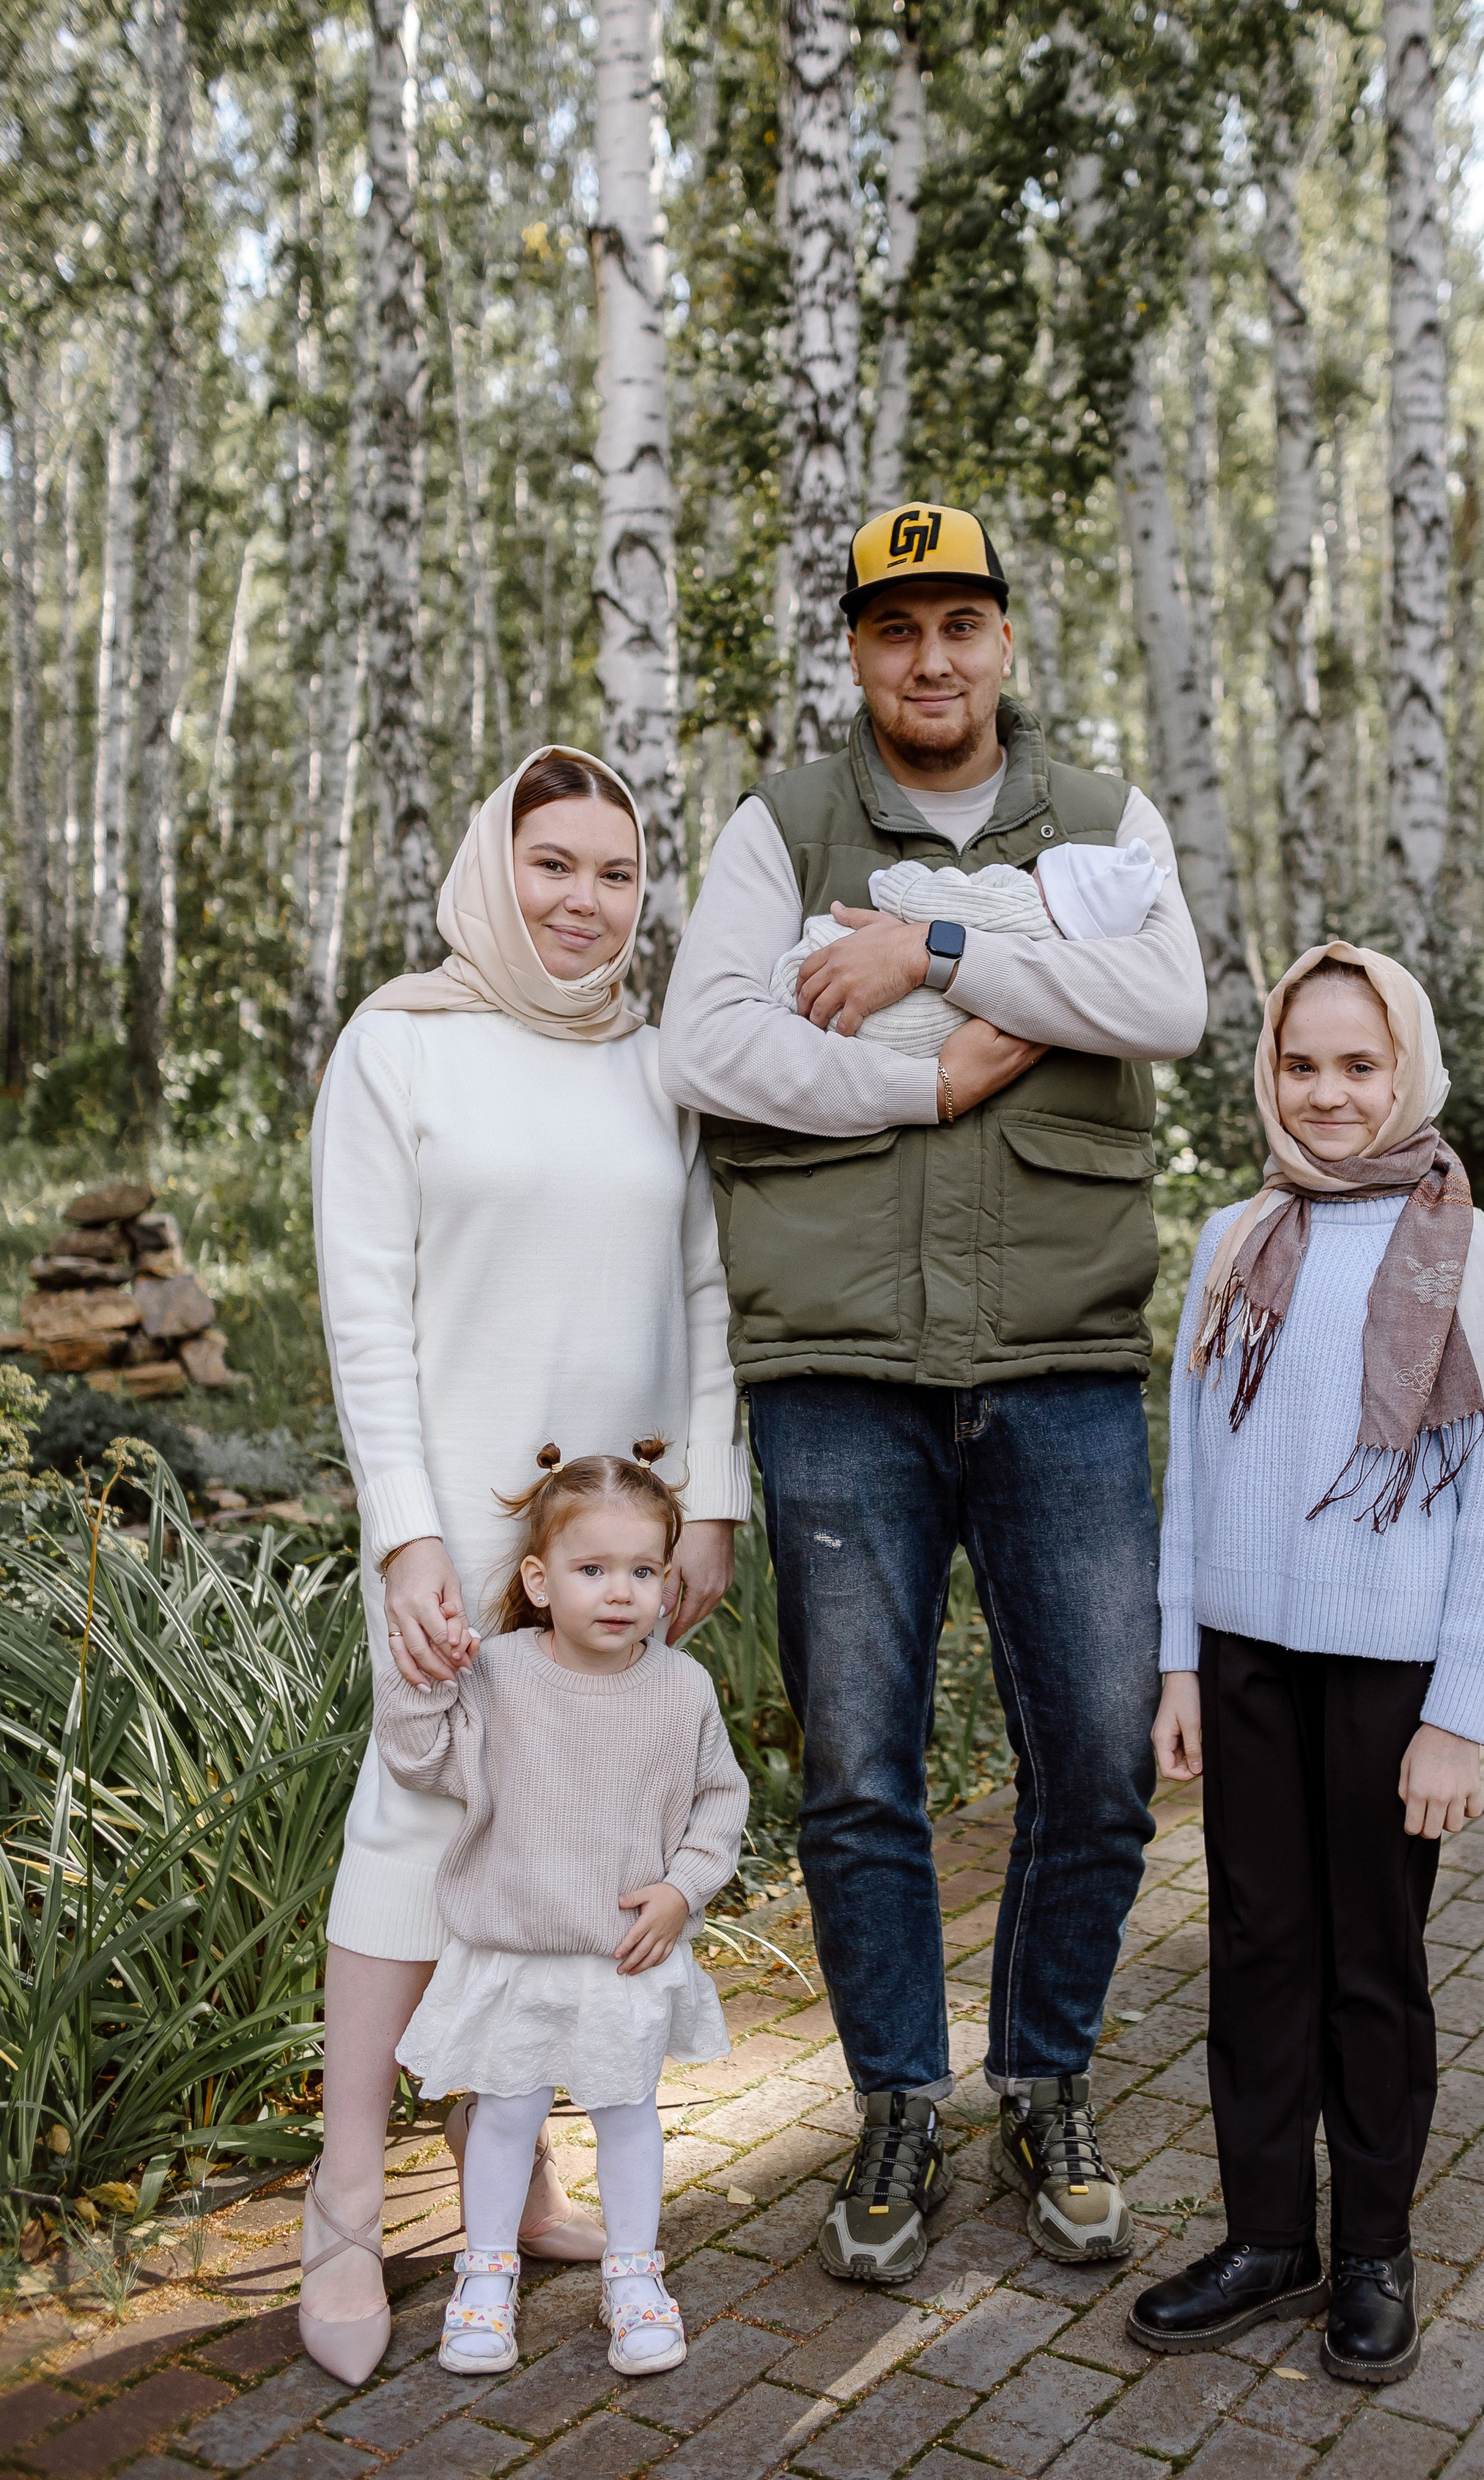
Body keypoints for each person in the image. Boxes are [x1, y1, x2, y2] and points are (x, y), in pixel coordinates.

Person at [660, 501, 1210, 2286]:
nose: (930, 659)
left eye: (959, 623)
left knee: (1102, 1766)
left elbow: (1171, 999)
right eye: (895, 630)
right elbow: (709, 1043)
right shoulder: (780, 825)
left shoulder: (1103, 822)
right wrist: (923, 1086)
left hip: (1054, 1355)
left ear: (1000, 640)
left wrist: (937, 958)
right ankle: (897, 2095)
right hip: (837, 1368)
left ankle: (1042, 2073)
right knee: (856, 1774)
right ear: (855, 653)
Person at [301, 746, 750, 2385]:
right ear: (497, 868)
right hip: (456, 1521)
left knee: (582, 1835)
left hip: (617, 1530)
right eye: (552, 864)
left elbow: (708, 1293)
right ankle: (347, 2200)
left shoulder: (655, 1063)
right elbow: (363, 1314)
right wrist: (409, 1532)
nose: (584, 901)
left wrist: (710, 1504)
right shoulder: (399, 1049)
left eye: (616, 873)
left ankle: (531, 2166)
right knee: (420, 1817)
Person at [1129, 942, 1484, 2383]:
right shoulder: (1232, 1241)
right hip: (1245, 1657)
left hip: (1387, 1677)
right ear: (1267, 1073)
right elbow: (1195, 1462)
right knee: (1255, 1954)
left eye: (1356, 1066)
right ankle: (1267, 2239)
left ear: (1406, 1071)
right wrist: (1178, 1659)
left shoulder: (1464, 1255)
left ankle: (1370, 2247)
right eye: (1298, 1065)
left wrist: (1459, 1718)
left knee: (1368, 1968)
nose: (1325, 1095)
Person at [380, 1442, 748, 2380]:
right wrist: (423, 1678)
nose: (619, 1592)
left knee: (628, 2115)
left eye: (641, 1571)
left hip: (619, 1952)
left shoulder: (681, 1687)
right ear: (541, 1582)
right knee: (504, 2118)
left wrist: (681, 1889)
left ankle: (634, 2277)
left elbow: (720, 1799)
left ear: (667, 1583)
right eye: (592, 1570)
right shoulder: (498, 1675)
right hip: (515, 1951)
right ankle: (486, 2275)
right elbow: (425, 1762)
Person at [769, 839, 1167, 1052]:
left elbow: (927, 900)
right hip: (914, 1045)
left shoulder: (1018, 901)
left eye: (1037, 872)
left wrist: (895, 882)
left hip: (841, 995)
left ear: (1048, 891)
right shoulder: (1065, 972)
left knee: (817, 965)